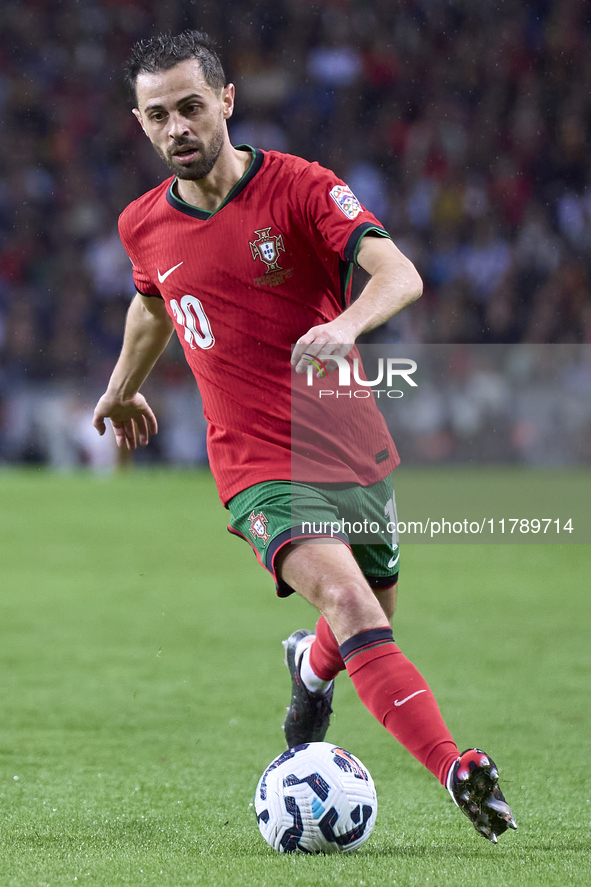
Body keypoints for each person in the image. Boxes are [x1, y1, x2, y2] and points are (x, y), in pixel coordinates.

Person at [92, 30, 516, 844]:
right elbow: (151, 302)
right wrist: (121, 388)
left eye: (189, 107)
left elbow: (399, 272)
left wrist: (347, 325)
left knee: (364, 622)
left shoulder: (300, 187)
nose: (176, 127)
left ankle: (310, 665)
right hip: (255, 463)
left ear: (225, 100)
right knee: (352, 600)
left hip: (348, 442)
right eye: (157, 115)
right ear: (140, 123)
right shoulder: (141, 223)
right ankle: (457, 767)